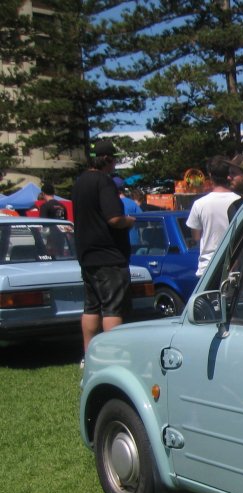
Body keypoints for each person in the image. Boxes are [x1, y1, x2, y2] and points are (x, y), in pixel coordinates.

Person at [71, 139, 135, 355]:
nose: (115, 163)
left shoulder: (80, 182)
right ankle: (114, 355)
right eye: (114, 159)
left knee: (91, 307)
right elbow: (114, 218)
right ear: (107, 159)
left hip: (87, 255)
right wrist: (129, 221)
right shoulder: (104, 182)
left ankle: (89, 355)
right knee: (113, 308)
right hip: (109, 256)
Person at [186, 156, 240, 276]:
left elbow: (196, 237)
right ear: (228, 175)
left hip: (208, 267)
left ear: (210, 175)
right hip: (234, 266)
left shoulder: (199, 204)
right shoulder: (240, 201)